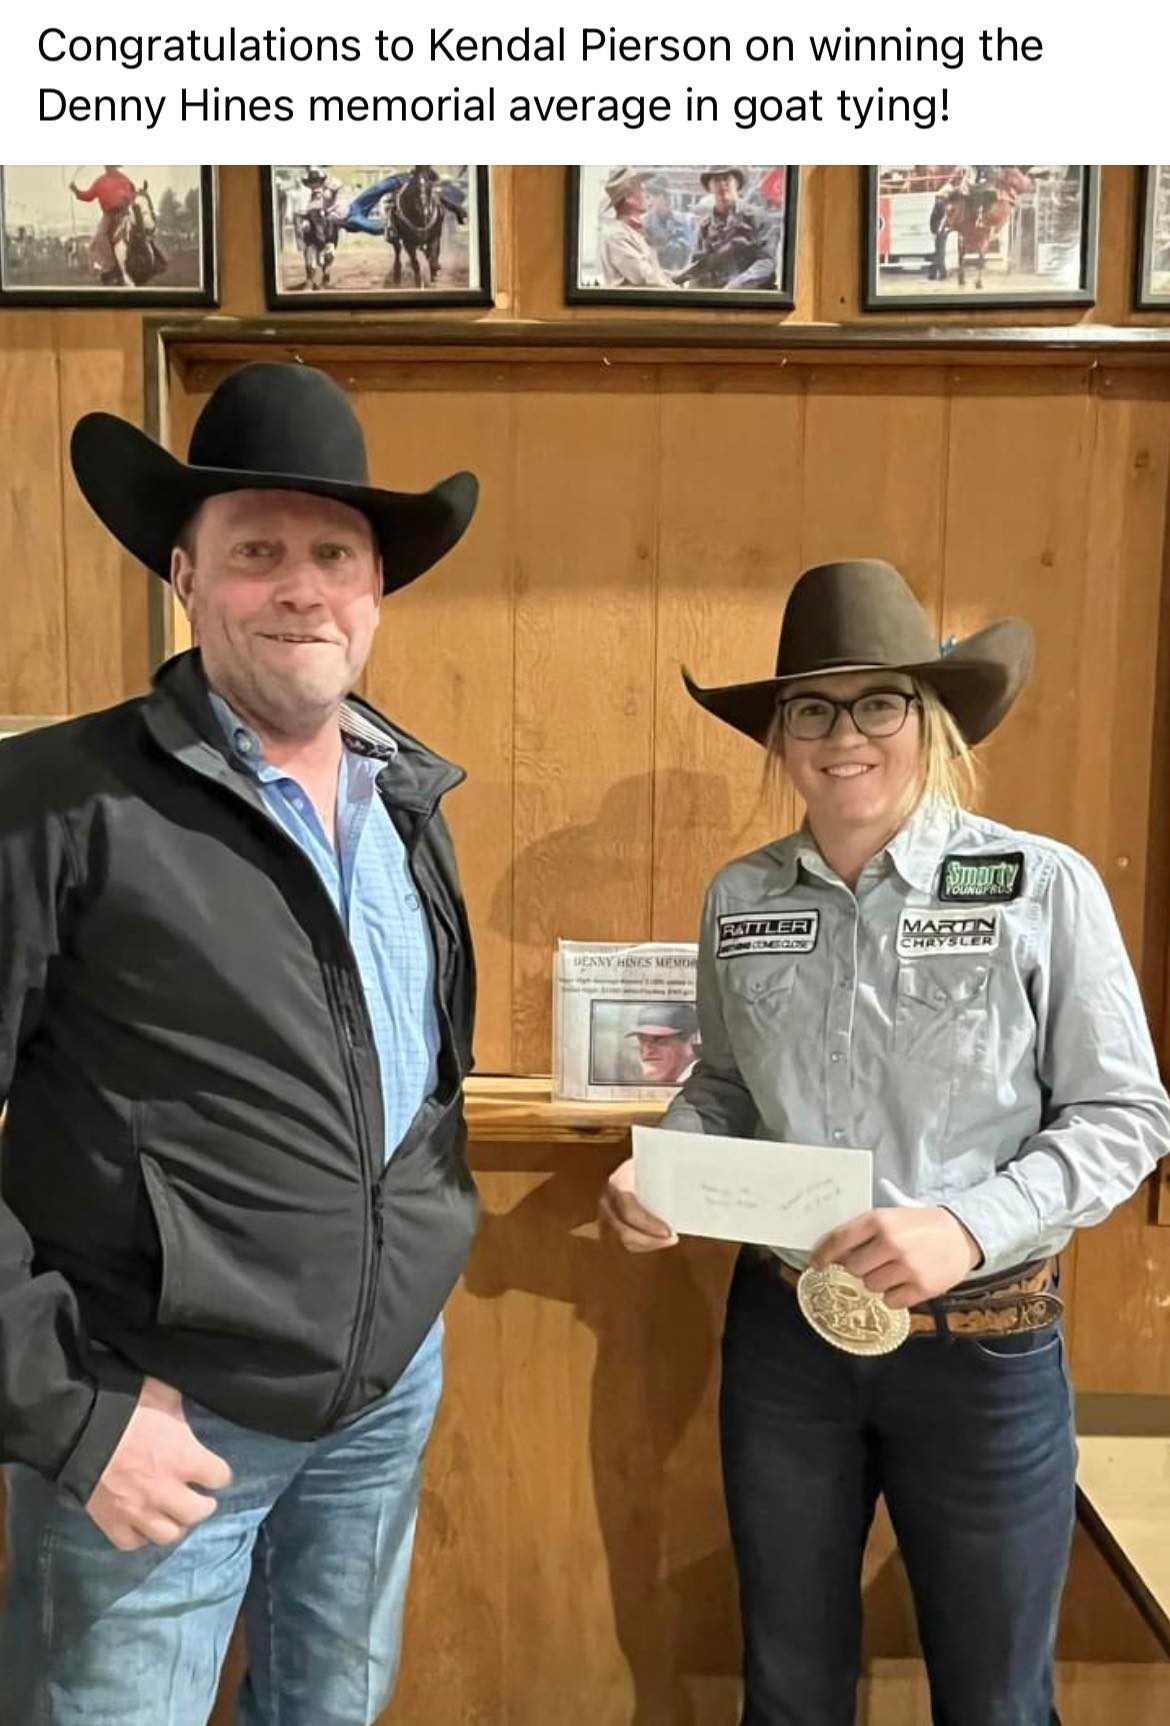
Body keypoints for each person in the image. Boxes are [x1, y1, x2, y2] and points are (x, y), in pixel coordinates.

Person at [600, 558, 1170, 1726]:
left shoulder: (1037, 885)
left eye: (877, 703)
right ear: (780, 738)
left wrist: (967, 1226)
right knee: (788, 1687)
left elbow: (1126, 1115)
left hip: (984, 1346)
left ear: (931, 719)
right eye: (811, 709)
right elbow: (726, 1084)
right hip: (787, 1341)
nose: (843, 735)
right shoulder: (741, 896)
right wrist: (664, 1168)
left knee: (997, 1700)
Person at [0, 360, 481, 1725]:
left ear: (376, 590)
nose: (300, 588)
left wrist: (417, 1281)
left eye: (334, 556)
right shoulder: (49, 805)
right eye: (257, 552)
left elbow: (419, 1086)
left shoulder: (409, 802)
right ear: (185, 575)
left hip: (381, 1397)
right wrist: (66, 1409)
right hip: (158, 1416)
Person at [679, 166, 772, 291]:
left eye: (727, 178)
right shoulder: (706, 226)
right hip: (713, 294)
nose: (722, 184)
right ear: (709, 187)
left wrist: (734, 286)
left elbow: (767, 262)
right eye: (716, 180)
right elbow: (699, 265)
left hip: (749, 296)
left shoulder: (757, 218)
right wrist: (677, 279)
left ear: (737, 182)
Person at [597, 166, 676, 289]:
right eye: (641, 189)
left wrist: (680, 276)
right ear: (629, 198)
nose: (646, 195)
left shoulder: (631, 232)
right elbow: (642, 276)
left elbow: (652, 273)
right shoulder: (617, 235)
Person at [68, 165, 139, 284]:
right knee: (97, 240)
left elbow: (132, 193)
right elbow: (88, 196)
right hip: (109, 215)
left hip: (123, 212)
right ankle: (111, 266)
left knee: (141, 228)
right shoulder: (100, 181)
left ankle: (154, 257)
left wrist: (125, 197)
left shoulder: (124, 179)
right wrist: (76, 191)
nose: (108, 167)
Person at [627, 1002, 700, 1085]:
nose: (647, 1051)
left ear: (690, 1041)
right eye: (642, 1040)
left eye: (659, 1040)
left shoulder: (701, 1083)